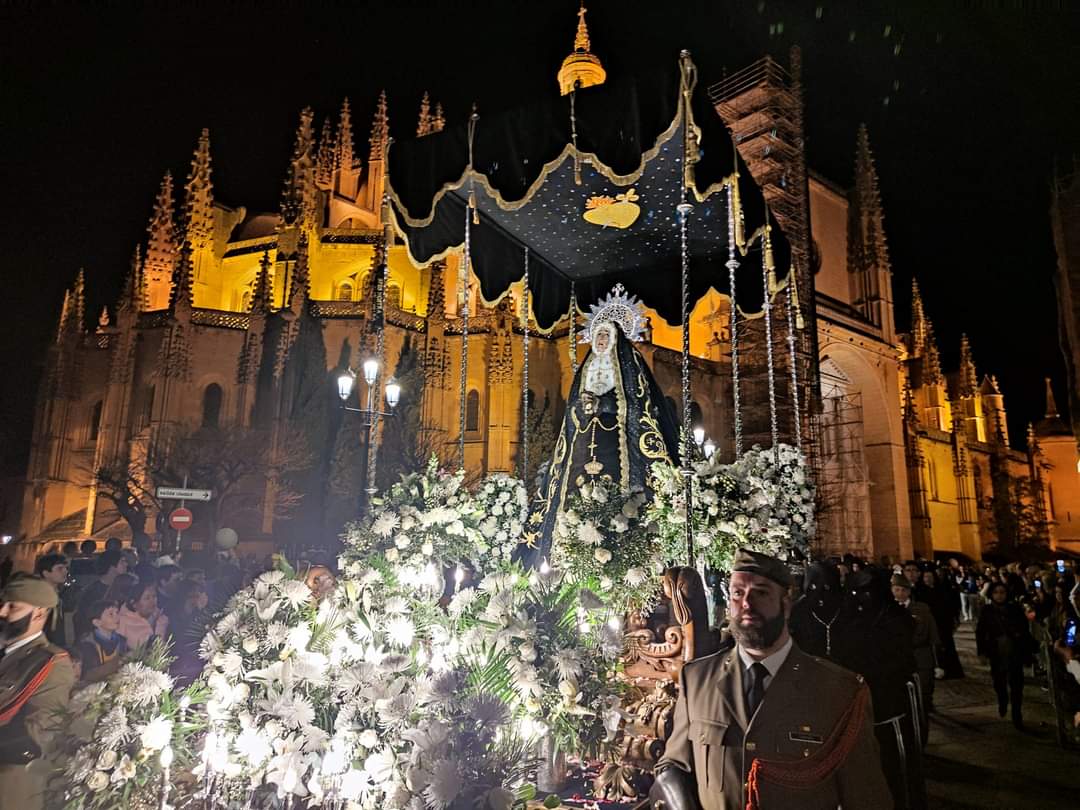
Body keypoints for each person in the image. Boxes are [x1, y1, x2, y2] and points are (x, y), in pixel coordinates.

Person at [653, 549, 891, 810]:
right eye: (737, 593)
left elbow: (867, 797)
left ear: (786, 604)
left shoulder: (838, 691)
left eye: (761, 592)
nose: (746, 603)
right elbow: (674, 763)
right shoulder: (697, 679)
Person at [0, 575, 76, 810]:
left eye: (12, 606)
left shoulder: (50, 663)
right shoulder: (8, 652)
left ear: (39, 614)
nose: (2, 611)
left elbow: (39, 733)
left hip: (10, 781)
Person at [976, 581, 1032, 729]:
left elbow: (1025, 630)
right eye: (996, 592)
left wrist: (1026, 652)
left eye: (1002, 592)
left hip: (1014, 651)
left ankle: (1016, 714)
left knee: (1017, 685)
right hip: (996, 652)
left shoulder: (1015, 609)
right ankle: (1002, 699)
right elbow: (980, 632)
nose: (999, 595)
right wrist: (981, 651)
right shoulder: (987, 610)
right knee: (999, 682)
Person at [892, 574, 939, 733]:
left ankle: (922, 732)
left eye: (902, 590)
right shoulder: (889, 611)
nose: (899, 593)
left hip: (921, 659)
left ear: (908, 592)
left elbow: (933, 636)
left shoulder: (921, 609)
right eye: (896, 589)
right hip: (900, 661)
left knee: (923, 698)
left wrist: (937, 662)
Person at [74, 549, 128, 639]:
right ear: (112, 565)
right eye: (122, 561)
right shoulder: (93, 591)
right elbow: (84, 619)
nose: (126, 564)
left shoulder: (122, 587)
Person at [75, 600, 128, 683]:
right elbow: (88, 675)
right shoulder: (88, 645)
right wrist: (119, 662)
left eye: (117, 613)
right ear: (97, 622)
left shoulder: (121, 640)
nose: (117, 617)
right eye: (111, 614)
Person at [117, 579, 168, 649]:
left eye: (154, 596)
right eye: (147, 598)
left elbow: (162, 650)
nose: (152, 601)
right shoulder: (123, 621)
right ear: (134, 604)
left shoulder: (162, 620)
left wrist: (159, 626)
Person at [33, 553, 70, 648]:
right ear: (46, 573)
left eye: (66, 568)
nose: (65, 571)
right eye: (60, 568)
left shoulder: (59, 595)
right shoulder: (38, 598)